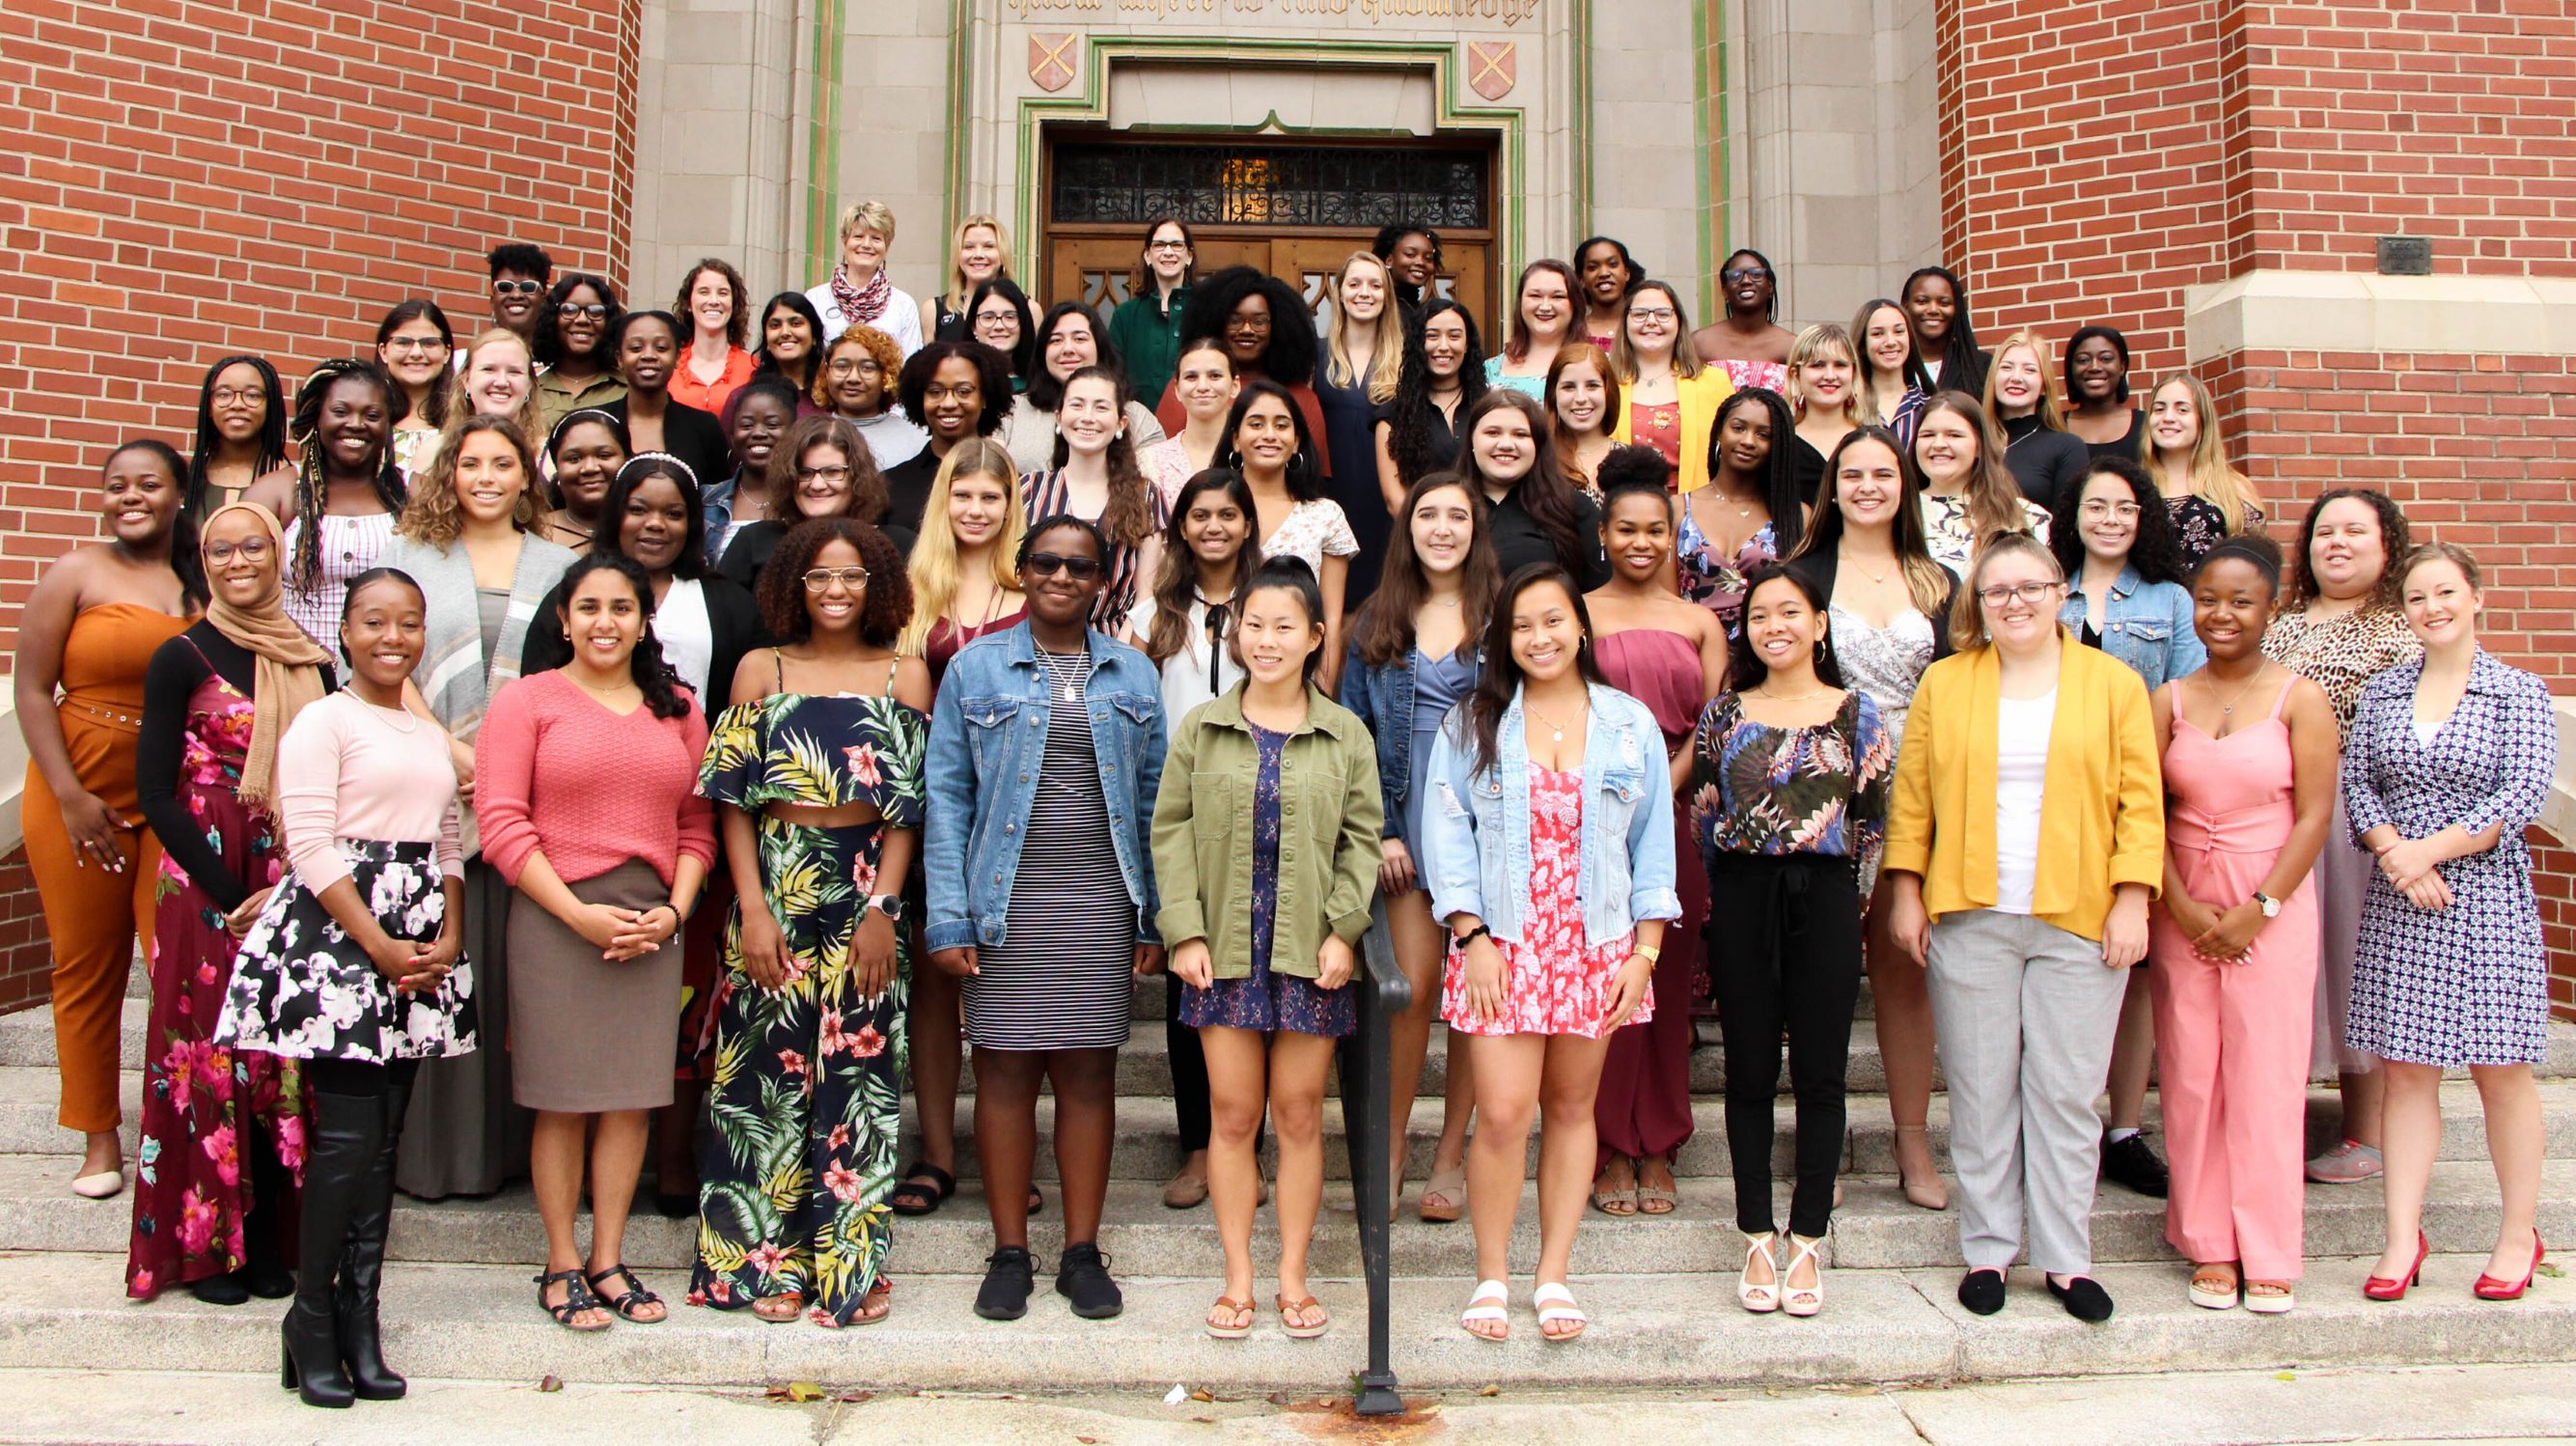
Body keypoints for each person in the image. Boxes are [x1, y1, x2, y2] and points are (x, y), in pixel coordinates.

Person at [1886, 532, 2162, 1324]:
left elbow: (2141, 805)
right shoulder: (1947, 683)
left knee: (2069, 1094)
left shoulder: (2112, 684)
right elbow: (1913, 800)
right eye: (1997, 591)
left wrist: (2131, 898)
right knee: (1979, 1086)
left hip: (2079, 915)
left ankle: (2066, 1259)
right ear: (1978, 603)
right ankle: (1988, 1249)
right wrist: (1905, 890)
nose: (2015, 603)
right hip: (1971, 909)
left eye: (2030, 587)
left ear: (2059, 593)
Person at [215, 567, 473, 1406]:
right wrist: (379, 947)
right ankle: (310, 1319)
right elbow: (312, 846)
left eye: (408, 623)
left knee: (384, 1144)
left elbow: (445, 839)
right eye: (374, 622)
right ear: (345, 634)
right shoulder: (323, 721)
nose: (393, 637)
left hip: (419, 937)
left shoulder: (423, 731)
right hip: (340, 933)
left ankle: (361, 1321)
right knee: (349, 1139)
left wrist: (450, 931)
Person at [1422, 564, 1678, 1343]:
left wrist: (1645, 953)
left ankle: (1553, 1274)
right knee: (1500, 1114)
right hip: (1500, 945)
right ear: (1503, 638)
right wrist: (1470, 937)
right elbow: (1446, 835)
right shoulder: (1471, 723)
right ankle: (1493, 1275)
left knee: (1571, 1110)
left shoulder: (1629, 724)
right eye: (1522, 625)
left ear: (1580, 626)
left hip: (1596, 947)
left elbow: (1653, 848)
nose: (1539, 638)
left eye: (1552, 621)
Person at [924, 517, 1167, 1322]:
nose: (1062, 577)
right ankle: (1009, 1252)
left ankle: (1080, 1252)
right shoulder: (973, 667)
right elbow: (947, 798)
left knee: (1089, 1074)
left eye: (1080, 567)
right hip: (1004, 897)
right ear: (1021, 571)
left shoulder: (1133, 675)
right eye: (1046, 564)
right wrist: (949, 917)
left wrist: (1152, 916)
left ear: (1102, 580)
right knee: (1001, 1070)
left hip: (1098, 896)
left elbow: (1156, 801)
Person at [692, 517, 928, 1327]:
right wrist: (751, 909)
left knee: (857, 1088)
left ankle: (849, 1268)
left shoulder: (906, 672)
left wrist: (882, 911)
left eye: (852, 577)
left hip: (865, 892)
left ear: (878, 587)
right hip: (776, 885)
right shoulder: (762, 667)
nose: (835, 590)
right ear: (793, 582)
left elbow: (906, 811)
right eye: (820, 576)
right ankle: (767, 1267)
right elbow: (730, 800)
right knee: (765, 1086)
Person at [476, 553, 714, 1332]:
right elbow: (502, 823)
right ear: (563, 618)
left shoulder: (676, 707)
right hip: (556, 918)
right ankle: (561, 1261)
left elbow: (695, 825)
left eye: (621, 607)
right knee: (563, 1099)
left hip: (651, 922)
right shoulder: (527, 701)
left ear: (644, 621)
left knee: (631, 1101)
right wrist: (575, 915)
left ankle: (609, 1259)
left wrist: (675, 914)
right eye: (589, 607)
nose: (605, 622)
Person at [1154, 556, 1382, 1341]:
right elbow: (1171, 832)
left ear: (1317, 636)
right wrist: (1181, 929)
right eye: (1254, 623)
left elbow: (1361, 841)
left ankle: (1291, 1275)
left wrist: (1344, 930)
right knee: (1230, 1113)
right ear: (1232, 628)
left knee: (1294, 1116)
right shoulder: (1202, 727)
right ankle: (1238, 1278)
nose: (1267, 639)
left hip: (1308, 949)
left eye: (1286, 625)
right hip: (1221, 947)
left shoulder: (1344, 732)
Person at [126, 499, 324, 1308]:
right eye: (221, 549)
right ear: (202, 561)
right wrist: (233, 893)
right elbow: (154, 793)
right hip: (207, 878)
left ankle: (272, 1243)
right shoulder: (179, 655)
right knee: (207, 1058)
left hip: (295, 870)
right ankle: (209, 1251)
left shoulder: (312, 659)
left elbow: (334, 773)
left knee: (281, 1061)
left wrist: (281, 888)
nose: (240, 560)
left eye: (255, 546)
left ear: (279, 554)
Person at [2347, 542, 2557, 1304]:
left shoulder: (2517, 693)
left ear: (2474, 597)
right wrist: (2395, 855)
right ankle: (2402, 1235)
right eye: (2415, 597)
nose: (2431, 607)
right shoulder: (2381, 694)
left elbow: (2518, 797)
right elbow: (2358, 785)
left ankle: (2516, 1235)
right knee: (2406, 1073)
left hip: (2487, 902)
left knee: (2501, 1072)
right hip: (2401, 908)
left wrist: (2422, 853)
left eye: (2444, 592)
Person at [378, 415, 576, 1199]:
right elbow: (385, 666)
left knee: (512, 978)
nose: (487, 477)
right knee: (446, 966)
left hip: (534, 795)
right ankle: (437, 1158)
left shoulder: (562, 563)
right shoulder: (410, 561)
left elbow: (576, 672)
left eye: (504, 464)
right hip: (431, 785)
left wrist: (505, 765)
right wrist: (458, 755)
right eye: (471, 463)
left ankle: (507, 1157)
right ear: (447, 473)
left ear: (528, 476)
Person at [1693, 566, 1894, 1316]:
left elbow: (1871, 819)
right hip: (1743, 897)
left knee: (1820, 1073)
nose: (1774, 625)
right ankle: (1754, 1230)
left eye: (1790, 611)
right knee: (1746, 1072)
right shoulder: (1725, 714)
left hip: (1829, 896)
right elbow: (1704, 817)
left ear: (1818, 624)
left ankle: (1807, 1237)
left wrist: (1853, 897)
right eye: (1759, 614)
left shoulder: (1855, 712)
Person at [2149, 536, 2335, 1314]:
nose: (2221, 614)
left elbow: (2316, 814)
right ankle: (2207, 1245)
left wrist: (2259, 910)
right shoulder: (2169, 699)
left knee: (2264, 1074)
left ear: (2269, 609)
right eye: (2209, 599)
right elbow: (2144, 813)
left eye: (2240, 601)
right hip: (2183, 899)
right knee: (2192, 1075)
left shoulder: (2300, 697)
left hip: (2272, 899)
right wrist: (2183, 906)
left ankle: (2266, 1248)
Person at [1783, 426, 1961, 1211]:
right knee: (1815, 976)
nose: (1865, 485)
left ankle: (1911, 1140)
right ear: (1831, 488)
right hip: (1826, 787)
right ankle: (1813, 1135)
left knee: (1903, 967)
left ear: (1904, 483)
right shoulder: (1802, 574)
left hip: (1921, 783)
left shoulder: (1937, 579)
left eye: (1881, 473)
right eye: (1849, 474)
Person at [14, 441, 196, 1201]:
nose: (130, 496)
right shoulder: (75, 572)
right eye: (116, 485)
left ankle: (179, 1123)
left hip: (173, 800)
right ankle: (97, 1137)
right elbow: (29, 689)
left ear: (178, 494)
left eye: (147, 484)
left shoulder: (202, 577)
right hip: (76, 795)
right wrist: (69, 795)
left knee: (176, 963)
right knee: (87, 968)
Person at [1339, 471, 1494, 1226]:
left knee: (1476, 998)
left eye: (1455, 515)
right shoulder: (1376, 617)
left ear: (1475, 528)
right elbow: (1350, 734)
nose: (1440, 527)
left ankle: (1451, 1156)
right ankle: (1389, 1146)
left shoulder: (1501, 617)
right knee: (1412, 991)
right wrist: (1379, 830)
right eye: (1426, 514)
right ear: (1408, 529)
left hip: (1488, 829)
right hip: (1403, 824)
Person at [2053, 454, 2203, 1197]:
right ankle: (2064, 1122)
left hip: (2142, 797)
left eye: (2124, 508)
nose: (2109, 520)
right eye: (2096, 506)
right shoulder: (2049, 596)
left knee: (2135, 968)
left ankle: (2121, 1126)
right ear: (2072, 516)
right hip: (2057, 803)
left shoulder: (2171, 602)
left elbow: (2189, 699)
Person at [1582, 462, 1727, 1219]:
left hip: (1670, 816)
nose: (1642, 542)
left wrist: (1655, 790)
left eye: (1656, 530)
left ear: (1675, 538)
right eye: (1626, 529)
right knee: (1603, 981)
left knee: (1662, 984)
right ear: (1603, 534)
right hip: (1584, 817)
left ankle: (1659, 1144)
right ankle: (1606, 1145)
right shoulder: (1574, 614)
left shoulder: (1700, 623)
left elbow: (1709, 732)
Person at [2262, 488, 2419, 1185]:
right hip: (2278, 822)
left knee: (2358, 976)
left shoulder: (2402, 630)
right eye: (2324, 531)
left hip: (2362, 829)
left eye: (2355, 531)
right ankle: (2273, 1123)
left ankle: (2366, 1134)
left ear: (2386, 546)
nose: (2336, 543)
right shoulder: (2277, 626)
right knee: (2294, 977)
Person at [888, 441, 1027, 1223]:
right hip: (933, 808)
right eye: (963, 495)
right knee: (937, 985)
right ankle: (937, 1150)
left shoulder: (1031, 585)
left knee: (1008, 991)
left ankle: (1005, 1153)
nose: (977, 510)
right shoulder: (911, 591)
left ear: (1013, 505)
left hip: (1017, 810)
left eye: (992, 497)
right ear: (943, 500)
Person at [1124, 469, 1260, 1208]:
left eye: (1226, 515)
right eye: (1199, 515)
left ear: (1246, 525)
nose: (1213, 526)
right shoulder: (1156, 613)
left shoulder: (1272, 605)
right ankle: (1199, 1147)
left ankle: (1251, 1146)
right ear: (1180, 528)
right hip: (1179, 816)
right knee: (1191, 983)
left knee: (1261, 986)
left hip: (1262, 807)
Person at [245, 358, 407, 647]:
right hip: (294, 669)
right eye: (340, 411)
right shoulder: (277, 492)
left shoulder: (413, 492)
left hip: (389, 676)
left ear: (388, 424)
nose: (356, 424)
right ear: (317, 418)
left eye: (372, 415)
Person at [1226, 381, 1356, 687]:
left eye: (1281, 425)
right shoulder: (1214, 511)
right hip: (1214, 669)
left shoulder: (1325, 515)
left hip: (1295, 680)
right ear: (1235, 439)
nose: (1269, 434)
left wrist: (1320, 695)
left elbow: (1331, 621)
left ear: (1296, 441)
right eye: (1256, 424)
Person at [1018, 366, 1168, 627]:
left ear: (1121, 423)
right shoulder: (1029, 490)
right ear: (1059, 417)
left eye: (1101, 407)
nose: (1088, 417)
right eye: (1077, 405)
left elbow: (1146, 597)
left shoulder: (1146, 497)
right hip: (1034, 641)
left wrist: (1125, 657)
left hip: (1115, 643)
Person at [719, 412, 908, 589]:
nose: (817, 484)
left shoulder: (898, 544)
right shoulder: (753, 541)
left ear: (857, 477)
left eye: (833, 472)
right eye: (804, 473)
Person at [1314, 251, 1405, 604]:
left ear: (1387, 296)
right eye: (1354, 284)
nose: (1364, 292)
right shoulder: (1316, 354)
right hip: (1332, 494)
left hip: (1386, 502)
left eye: (1375, 285)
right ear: (1339, 293)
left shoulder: (1405, 360)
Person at [1677, 387, 1806, 637]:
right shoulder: (1678, 508)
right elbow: (1664, 602)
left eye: (1763, 434)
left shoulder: (1796, 515)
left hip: (1769, 656)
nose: (1748, 440)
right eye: (1738, 428)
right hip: (1691, 652)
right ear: (1718, 434)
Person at [1159, 266, 1330, 449]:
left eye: (1259, 322)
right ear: (1216, 323)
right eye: (1235, 320)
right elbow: (1162, 463)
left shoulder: (1301, 397)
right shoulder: (1191, 386)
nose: (1247, 330)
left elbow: (1314, 474)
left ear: (1279, 326)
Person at [1460, 390, 1608, 587]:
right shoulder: (1445, 506)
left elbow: (1600, 592)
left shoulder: (1574, 508)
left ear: (1538, 445)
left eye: (1520, 434)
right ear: (1471, 440)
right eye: (1492, 433)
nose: (1506, 444)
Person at [1000, 301, 1169, 473]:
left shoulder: (1137, 417)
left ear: (1099, 347)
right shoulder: (1012, 409)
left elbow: (1158, 484)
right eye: (1056, 340)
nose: (1067, 349)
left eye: (1079, 338)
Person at [1610, 280, 1735, 492]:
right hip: (1623, 512)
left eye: (1662, 313)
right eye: (1640, 314)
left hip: (1696, 513)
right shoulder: (1604, 383)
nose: (1651, 321)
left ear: (1679, 321)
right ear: (1625, 323)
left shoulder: (1714, 383)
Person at [883, 339, 1014, 535]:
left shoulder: (1011, 481)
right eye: (935, 392)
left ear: (985, 398)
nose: (949, 403)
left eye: (963, 391)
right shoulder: (889, 486)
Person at [1374, 298, 1489, 514]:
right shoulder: (1392, 417)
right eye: (1432, 336)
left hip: (1486, 535)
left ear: (1467, 345)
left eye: (1454, 336)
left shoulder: (1489, 409)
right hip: (1420, 537)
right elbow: (1395, 500)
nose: (1443, 346)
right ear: (1418, 344)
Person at [1914, 393, 2050, 574]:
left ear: (1979, 446)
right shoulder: (1897, 511)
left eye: (1954, 435)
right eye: (1928, 435)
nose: (1938, 444)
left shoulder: (2028, 517)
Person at [2142, 373, 2263, 568]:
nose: (2168, 417)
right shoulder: (2135, 487)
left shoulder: (2234, 488)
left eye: (2182, 409)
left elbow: (2257, 565)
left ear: (2202, 420)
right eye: (2159, 409)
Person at [601, 310, 731, 492]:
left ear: (678, 357)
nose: (648, 355)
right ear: (619, 359)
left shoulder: (704, 427)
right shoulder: (598, 422)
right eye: (636, 348)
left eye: (661, 348)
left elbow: (718, 497)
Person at [1980, 330, 2091, 514]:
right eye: (2007, 367)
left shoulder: (2066, 447)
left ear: (2044, 386)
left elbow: (2069, 526)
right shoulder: (1972, 442)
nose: (2016, 377)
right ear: (1993, 378)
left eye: (2029, 369)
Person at [701, 377, 806, 568]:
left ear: (794, 434)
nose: (758, 433)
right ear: (732, 437)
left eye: (772, 425)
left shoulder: (809, 499)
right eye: (747, 425)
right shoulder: (705, 501)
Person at [807, 200, 924, 354]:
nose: (866, 244)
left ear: (887, 246)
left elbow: (911, 367)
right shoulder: (815, 299)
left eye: (876, 238)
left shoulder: (903, 305)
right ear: (844, 240)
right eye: (858, 236)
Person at [812, 324, 928, 473]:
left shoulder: (916, 440)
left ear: (886, 376)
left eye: (867, 368)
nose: (853, 378)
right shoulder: (809, 436)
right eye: (842, 367)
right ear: (826, 373)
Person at [1109, 216, 1197, 409]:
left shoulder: (1206, 309)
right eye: (1159, 245)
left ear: (1189, 256)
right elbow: (1112, 377)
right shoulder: (1125, 315)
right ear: (1148, 256)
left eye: (1176, 245)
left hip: (1197, 428)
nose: (1168, 252)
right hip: (1139, 429)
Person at [189, 354, 291, 516]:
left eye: (252, 395)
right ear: (209, 406)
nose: (237, 404)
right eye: (224, 394)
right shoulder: (187, 482)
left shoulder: (292, 484)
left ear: (270, 406)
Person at [1140, 337, 1238, 503]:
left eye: (1215, 376)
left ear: (1234, 386)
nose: (1203, 386)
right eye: (1191, 377)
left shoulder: (1251, 455)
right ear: (1177, 389)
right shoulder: (1149, 461)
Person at [1690, 247, 1794, 393]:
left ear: (1770, 286)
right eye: (1735, 276)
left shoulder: (1792, 345)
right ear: (1724, 291)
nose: (1746, 281)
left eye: (1756, 274)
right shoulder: (1699, 342)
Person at [533, 274, 627, 432]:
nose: (582, 319)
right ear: (553, 318)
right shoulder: (531, 389)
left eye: (596, 311)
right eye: (569, 310)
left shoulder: (628, 391)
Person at [1783, 323, 1866, 501]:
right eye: (1818, 365)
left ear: (1853, 372)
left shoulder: (1874, 442)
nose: (1830, 375)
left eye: (1840, 365)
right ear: (1796, 375)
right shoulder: (1779, 446)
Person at [375, 303, 456, 484]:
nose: (417, 353)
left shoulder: (463, 423)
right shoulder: (366, 422)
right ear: (383, 352)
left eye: (430, 343)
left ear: (446, 352)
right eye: (403, 342)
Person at [671, 257, 757, 417]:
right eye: (704, 292)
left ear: (733, 304)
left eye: (723, 293)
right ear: (689, 303)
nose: (714, 301)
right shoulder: (670, 366)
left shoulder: (754, 368)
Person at [538, 407, 630, 551]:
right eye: (574, 458)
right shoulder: (535, 531)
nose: (589, 468)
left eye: (604, 455)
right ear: (557, 468)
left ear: (627, 459)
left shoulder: (647, 526)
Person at [1485, 259, 1578, 397]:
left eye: (1558, 296)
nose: (1545, 307)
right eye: (1535, 296)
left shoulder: (1599, 363)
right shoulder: (1491, 370)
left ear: (1575, 303)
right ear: (1520, 301)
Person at [922, 212, 1011, 344]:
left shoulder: (1029, 309)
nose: (978, 254)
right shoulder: (933, 310)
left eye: (988, 246)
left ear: (1003, 254)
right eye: (969, 247)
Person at [1546, 342, 1620, 497]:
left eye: (1592, 386)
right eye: (1569, 387)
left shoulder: (1638, 464)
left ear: (1608, 392)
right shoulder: (1538, 461)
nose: (1580, 398)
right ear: (1553, 395)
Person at [1900, 264, 1989, 396]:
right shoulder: (1891, 365)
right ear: (1905, 307)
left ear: (1956, 309)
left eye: (1944, 303)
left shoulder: (1983, 367)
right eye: (1922, 301)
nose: (1933, 310)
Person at [454, 327, 547, 448]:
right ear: (466, 380)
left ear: (529, 384)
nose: (502, 382)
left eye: (514, 372)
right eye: (489, 369)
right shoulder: (436, 451)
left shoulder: (550, 456)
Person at [1850, 297, 1925, 445]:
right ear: (1863, 344)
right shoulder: (1849, 406)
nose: (1890, 342)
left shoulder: (1928, 407)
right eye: (1878, 334)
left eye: (1899, 331)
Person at [2064, 325, 2145, 460]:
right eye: (2083, 360)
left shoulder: (2146, 426)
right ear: (2071, 369)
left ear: (2122, 368)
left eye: (2106, 359)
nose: (2095, 367)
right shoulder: (2054, 427)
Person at [748, 291, 828, 404]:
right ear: (766, 341)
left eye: (795, 323)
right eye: (775, 325)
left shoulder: (834, 396)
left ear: (814, 336)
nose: (785, 333)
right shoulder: (747, 399)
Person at [966, 277, 1040, 393]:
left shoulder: (1042, 381)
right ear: (974, 327)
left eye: (1010, 317)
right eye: (988, 317)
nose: (999, 326)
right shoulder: (958, 380)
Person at [1572, 236, 1642, 350]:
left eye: (1613, 264)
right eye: (1592, 268)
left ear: (1626, 273)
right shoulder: (1572, 332)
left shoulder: (1646, 326)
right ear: (1581, 280)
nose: (1604, 273)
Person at [483, 242, 554, 351]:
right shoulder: (467, 362)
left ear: (543, 301)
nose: (516, 295)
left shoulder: (559, 366)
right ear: (492, 301)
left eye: (528, 287)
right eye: (505, 287)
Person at [1373, 223, 1442, 314]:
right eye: (1410, 254)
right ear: (1389, 260)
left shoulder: (1425, 312)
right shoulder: (1377, 307)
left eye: (1428, 258)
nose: (1421, 262)